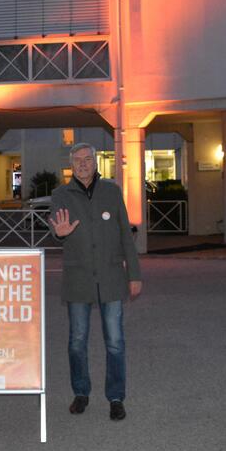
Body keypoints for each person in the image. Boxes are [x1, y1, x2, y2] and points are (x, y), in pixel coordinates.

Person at [49, 142, 142, 421]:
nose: (83, 164)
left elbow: (126, 234)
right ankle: (81, 392)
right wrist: (61, 233)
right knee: (77, 341)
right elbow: (56, 230)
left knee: (115, 341)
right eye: (77, 160)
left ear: (95, 162)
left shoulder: (111, 191)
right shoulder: (61, 194)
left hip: (111, 277)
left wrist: (134, 274)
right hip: (78, 278)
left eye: (87, 159)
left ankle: (116, 397)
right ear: (71, 164)